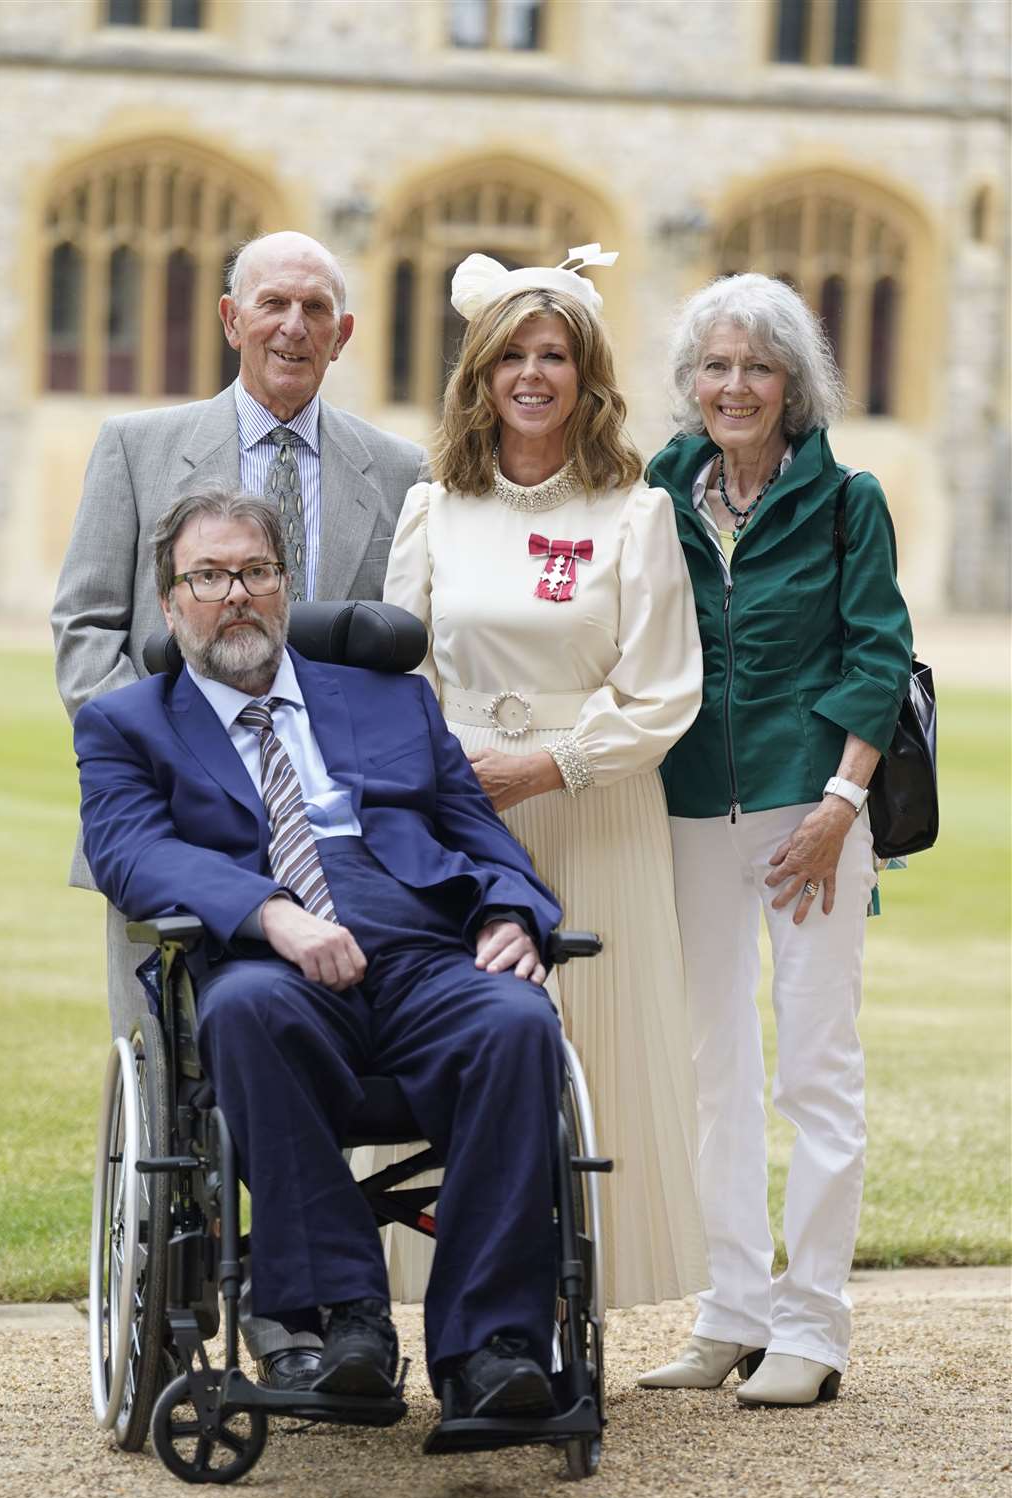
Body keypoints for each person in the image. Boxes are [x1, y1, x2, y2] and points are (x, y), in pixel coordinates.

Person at [73, 487, 568, 1422]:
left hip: (425, 949)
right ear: (170, 602)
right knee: (241, 1011)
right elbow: (132, 852)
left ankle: (492, 1346)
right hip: (275, 963)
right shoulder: (128, 726)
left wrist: (513, 913)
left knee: (517, 1017)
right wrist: (272, 911)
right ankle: (348, 1320)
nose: (236, 595)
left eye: (256, 572)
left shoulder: (390, 701)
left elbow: (475, 831)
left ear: (286, 587)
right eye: (209, 576)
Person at [378, 247, 708, 1310]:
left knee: (592, 1047)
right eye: (511, 353)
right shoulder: (436, 508)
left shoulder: (636, 511)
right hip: (459, 813)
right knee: (461, 1041)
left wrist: (549, 764)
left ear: (586, 373)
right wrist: (449, 777)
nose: (532, 373)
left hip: (593, 810)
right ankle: (461, 1300)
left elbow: (663, 693)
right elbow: (399, 673)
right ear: (480, 375)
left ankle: (570, 1302)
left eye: (554, 353)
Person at [638, 272, 914, 1407]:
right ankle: (732, 1312)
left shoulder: (848, 498)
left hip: (817, 811)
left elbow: (876, 657)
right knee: (711, 1070)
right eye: (716, 365)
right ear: (691, 383)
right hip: (695, 803)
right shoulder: (658, 487)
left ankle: (814, 1326)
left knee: (815, 1067)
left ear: (796, 384)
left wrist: (838, 808)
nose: (735, 385)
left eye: (758, 365)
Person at [51, 229, 428, 1036]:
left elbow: (399, 648)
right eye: (273, 305)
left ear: (343, 333)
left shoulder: (401, 471)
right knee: (161, 1070)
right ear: (231, 320)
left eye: (315, 308)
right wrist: (166, 758)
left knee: (343, 1064)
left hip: (333, 823)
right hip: (174, 815)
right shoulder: (137, 448)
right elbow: (86, 627)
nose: (293, 325)